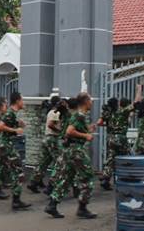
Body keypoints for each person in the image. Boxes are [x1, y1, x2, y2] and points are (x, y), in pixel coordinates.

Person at [44, 92, 97, 220]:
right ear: (85, 101)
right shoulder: (79, 115)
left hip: (69, 151)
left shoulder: (78, 116)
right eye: (90, 100)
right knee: (88, 177)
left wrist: (88, 129)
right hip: (76, 151)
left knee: (66, 179)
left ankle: (52, 205)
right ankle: (82, 208)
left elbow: (74, 130)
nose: (92, 102)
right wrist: (86, 136)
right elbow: (69, 131)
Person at [97, 84, 142, 190]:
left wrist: (109, 125)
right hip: (120, 138)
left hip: (110, 138)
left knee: (111, 159)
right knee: (129, 157)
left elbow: (99, 123)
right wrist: (139, 89)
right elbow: (136, 103)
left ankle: (105, 178)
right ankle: (130, 177)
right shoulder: (122, 111)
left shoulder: (109, 113)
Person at [27, 95, 62, 193]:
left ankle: (34, 182)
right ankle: (52, 184)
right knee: (60, 161)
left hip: (47, 138)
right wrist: (61, 130)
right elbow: (51, 124)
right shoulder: (55, 112)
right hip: (52, 138)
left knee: (44, 162)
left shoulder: (51, 112)